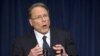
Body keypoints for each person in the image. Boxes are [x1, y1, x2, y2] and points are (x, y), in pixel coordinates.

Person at [12, 2, 78, 56]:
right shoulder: (20, 42)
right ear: (31, 22)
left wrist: (65, 55)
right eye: (38, 17)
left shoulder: (64, 36)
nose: (43, 20)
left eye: (45, 16)